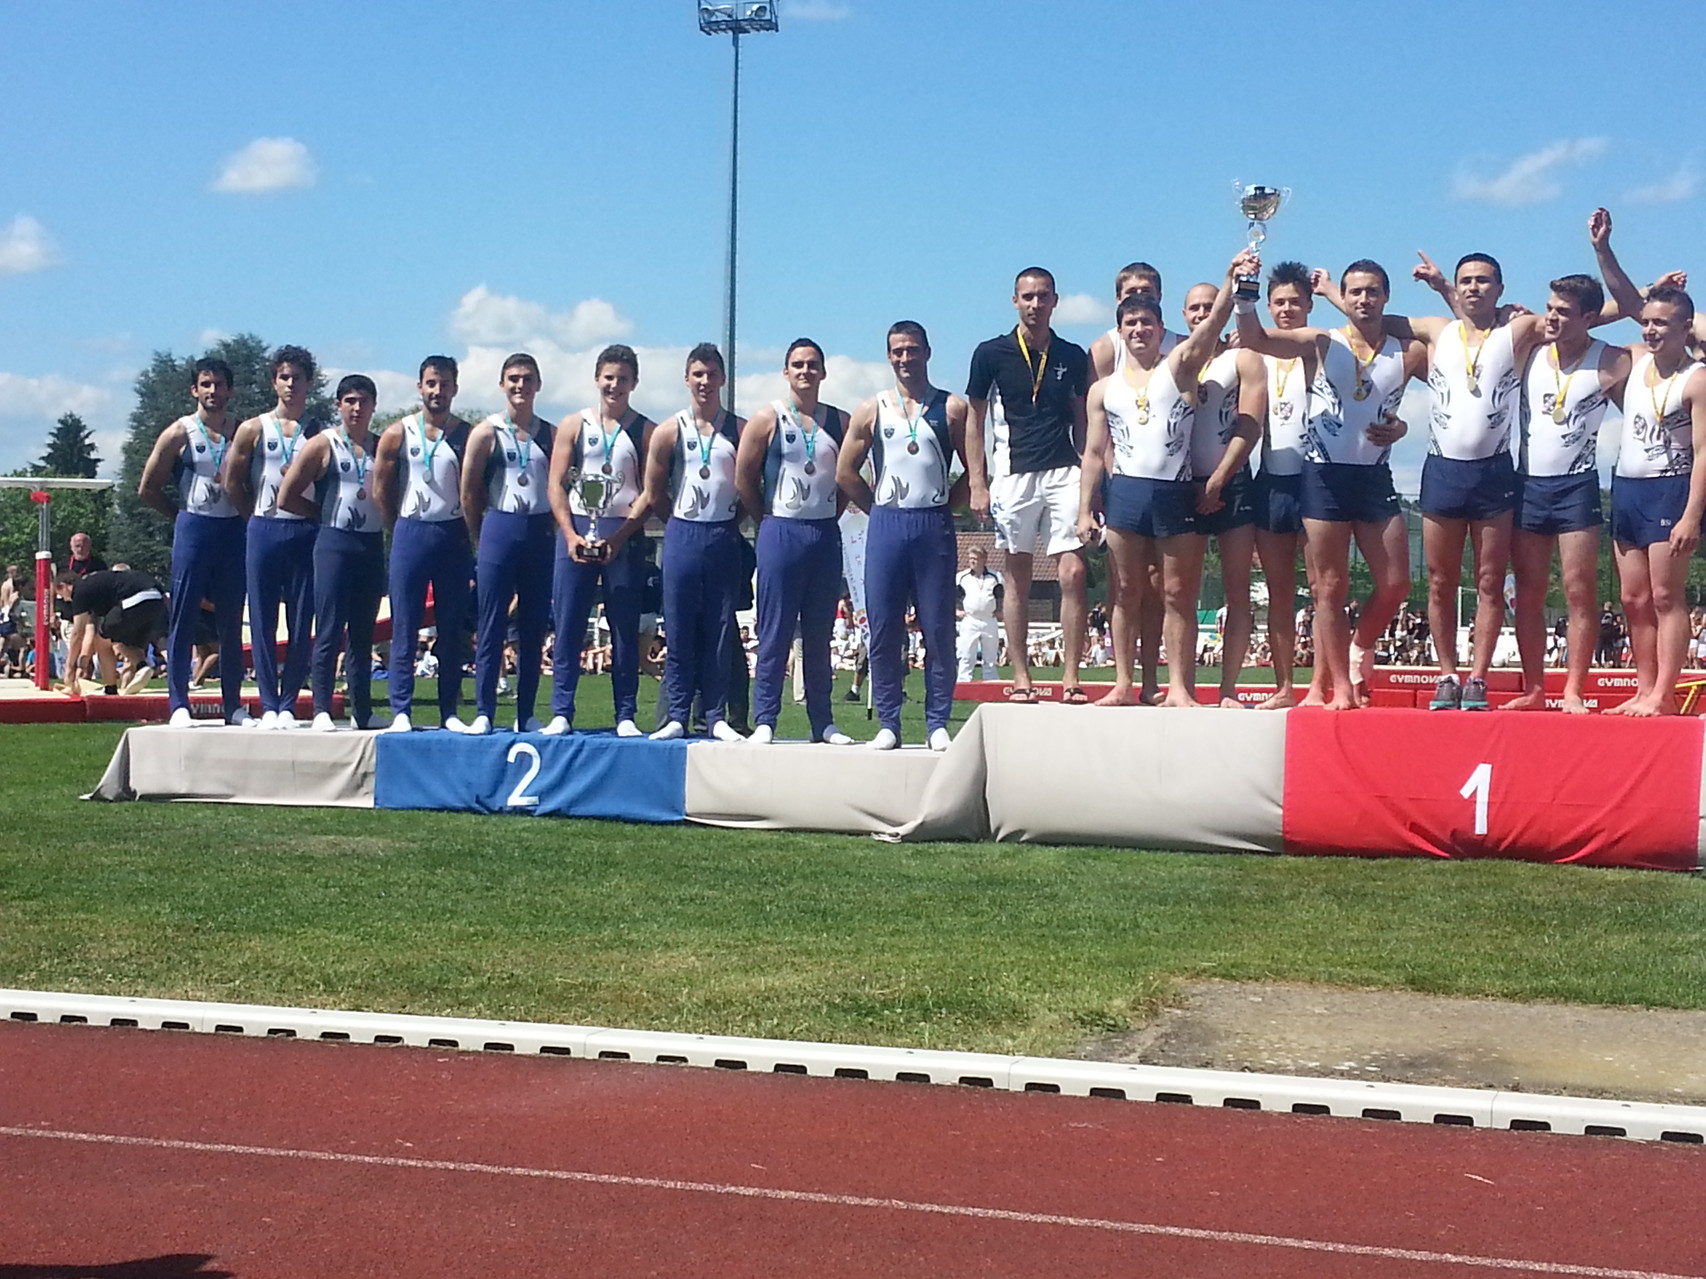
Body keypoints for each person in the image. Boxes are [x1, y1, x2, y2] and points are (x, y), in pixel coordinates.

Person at [1236, 260, 1426, 709]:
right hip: (1322, 474)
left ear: (1386, 296)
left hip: (1373, 475)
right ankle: (1338, 686)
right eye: (1355, 292)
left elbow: (1462, 386)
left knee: (1396, 583)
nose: (1364, 299)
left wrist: (1401, 430)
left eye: (1373, 291)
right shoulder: (1323, 342)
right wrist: (1244, 294)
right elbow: (1257, 339)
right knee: (1328, 587)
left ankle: (1361, 645)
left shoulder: (1409, 351)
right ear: (1343, 296)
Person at [1078, 251, 1254, 707]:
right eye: (1131, 324)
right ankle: (1122, 683)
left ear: (1161, 330)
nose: (1139, 331)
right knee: (1126, 592)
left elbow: (1211, 329)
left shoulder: (1179, 367)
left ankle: (1179, 687)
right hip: (1127, 495)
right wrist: (1084, 508)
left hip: (1176, 492)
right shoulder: (1103, 389)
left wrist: (1230, 281)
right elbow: (1094, 452)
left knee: (1178, 593)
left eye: (1147, 324)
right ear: (1120, 331)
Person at [1505, 272, 1636, 711]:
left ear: (1589, 318)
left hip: (1577, 486)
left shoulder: (1614, 360)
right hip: (1527, 483)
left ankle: (1574, 690)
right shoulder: (1531, 351)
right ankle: (1535, 689)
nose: (1552, 317)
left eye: (1564, 312)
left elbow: (1636, 313)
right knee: (1530, 591)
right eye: (1551, 308)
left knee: (1580, 591)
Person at [838, 321, 969, 751]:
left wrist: (946, 503)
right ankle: (889, 723)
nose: (905, 358)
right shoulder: (871, 409)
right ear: (888, 356)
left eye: (912, 350)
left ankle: (936, 724)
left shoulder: (952, 408)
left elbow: (974, 470)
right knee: (884, 629)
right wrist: (876, 505)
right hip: (887, 524)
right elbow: (844, 471)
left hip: (933, 525)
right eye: (897, 351)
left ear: (927, 352)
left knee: (937, 629)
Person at [966, 267, 1092, 703]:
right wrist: (978, 482)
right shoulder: (991, 353)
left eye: (1043, 297)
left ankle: (1071, 676)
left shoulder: (1073, 355)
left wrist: (1090, 480)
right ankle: (1021, 678)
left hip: (1064, 472)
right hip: (1013, 475)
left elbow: (1082, 419)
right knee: (1017, 577)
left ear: (1055, 300)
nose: (1035, 305)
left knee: (1073, 572)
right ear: (1014, 301)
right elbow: (974, 419)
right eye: (1027, 297)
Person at [736, 338, 853, 745]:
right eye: (798, 365)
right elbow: (743, 477)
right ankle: (765, 717)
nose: (805, 371)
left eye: (812, 365)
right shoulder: (767, 419)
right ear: (786, 372)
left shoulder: (841, 422)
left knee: (819, 634)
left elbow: (850, 478)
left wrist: (827, 516)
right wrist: (764, 518)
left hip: (822, 532)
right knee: (775, 630)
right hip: (779, 529)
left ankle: (823, 722)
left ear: (823, 372)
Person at [1605, 285, 1706, 715]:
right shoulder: (1635, 359)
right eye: (1647, 321)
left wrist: (1690, 516)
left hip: (1671, 489)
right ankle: (1644, 688)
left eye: (1661, 323)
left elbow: (1704, 453)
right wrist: (1602, 249)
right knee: (1633, 598)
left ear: (1686, 327)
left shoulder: (1697, 379)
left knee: (1666, 595)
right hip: (1627, 487)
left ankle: (1664, 693)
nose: (1650, 329)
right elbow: (1620, 302)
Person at [545, 345, 653, 737]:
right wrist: (570, 533)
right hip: (577, 528)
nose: (615, 385)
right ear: (596, 379)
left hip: (623, 533)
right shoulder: (575, 425)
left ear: (634, 384)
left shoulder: (645, 431)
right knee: (569, 623)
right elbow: (556, 484)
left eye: (623, 379)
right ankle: (562, 710)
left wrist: (622, 536)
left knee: (624, 628)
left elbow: (649, 491)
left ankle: (625, 713)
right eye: (609, 377)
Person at [137, 356, 251, 727]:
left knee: (231, 621)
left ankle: (233, 705)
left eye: (219, 384)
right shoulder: (179, 432)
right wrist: (180, 517)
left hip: (232, 530)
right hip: (194, 528)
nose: (213, 392)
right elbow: (147, 487)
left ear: (230, 390)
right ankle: (179, 703)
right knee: (184, 616)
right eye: (206, 384)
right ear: (194, 390)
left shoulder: (243, 432)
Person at [643, 344, 747, 741]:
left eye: (712, 374)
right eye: (697, 374)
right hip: (682, 532)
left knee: (721, 627)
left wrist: (729, 522)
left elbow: (750, 485)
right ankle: (676, 715)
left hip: (722, 533)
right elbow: (654, 491)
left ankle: (717, 716)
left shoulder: (739, 429)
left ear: (723, 379)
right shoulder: (670, 430)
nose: (705, 382)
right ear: (687, 379)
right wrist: (681, 523)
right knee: (680, 627)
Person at [371, 355, 473, 732]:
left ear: (454, 388)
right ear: (420, 387)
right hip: (411, 531)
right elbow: (381, 487)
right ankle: (401, 710)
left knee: (450, 628)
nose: (437, 391)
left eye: (444, 384)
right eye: (431, 383)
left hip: (452, 533)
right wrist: (395, 524)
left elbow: (474, 487)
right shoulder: (399, 433)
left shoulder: (466, 434)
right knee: (404, 626)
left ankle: (449, 710)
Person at [280, 373, 386, 730]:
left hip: (370, 545)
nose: (357, 408)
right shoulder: (323, 444)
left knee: (363, 633)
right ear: (339, 405)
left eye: (364, 401)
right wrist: (322, 515)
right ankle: (322, 707)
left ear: (374, 406)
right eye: (350, 401)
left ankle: (363, 710)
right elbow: (287, 496)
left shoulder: (381, 445)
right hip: (333, 543)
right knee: (328, 627)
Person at [223, 344, 321, 728]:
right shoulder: (253, 429)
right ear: (273, 381)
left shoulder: (319, 431)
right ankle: (267, 702)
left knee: (301, 621)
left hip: (305, 531)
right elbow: (233, 482)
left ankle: (289, 701)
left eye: (298, 378)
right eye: (284, 377)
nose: (291, 384)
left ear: (309, 383)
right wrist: (254, 519)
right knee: (262, 620)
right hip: (264, 526)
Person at [460, 353, 555, 735]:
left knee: (532, 629)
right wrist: (479, 538)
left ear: (538, 385)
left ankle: (526, 712)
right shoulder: (486, 432)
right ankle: (484, 710)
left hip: (539, 531)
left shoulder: (550, 433)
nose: (520, 386)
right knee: (491, 623)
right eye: (513, 379)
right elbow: (469, 492)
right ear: (502, 384)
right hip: (499, 526)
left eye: (528, 379)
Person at [1181, 279, 1265, 706]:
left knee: (1237, 591)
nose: (1200, 314)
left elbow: (1250, 425)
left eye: (1207, 307)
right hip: (1182, 485)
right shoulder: (1174, 360)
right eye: (1193, 308)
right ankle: (1184, 687)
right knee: (1180, 592)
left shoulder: (1242, 360)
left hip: (1232, 484)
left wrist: (1219, 478)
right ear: (1184, 315)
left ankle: (1229, 687)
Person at [1247, 262, 1316, 709]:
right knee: (1279, 592)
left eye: (1295, 301)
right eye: (1279, 302)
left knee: (1327, 588)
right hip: (1271, 481)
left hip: (1316, 481)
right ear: (1268, 307)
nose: (1287, 309)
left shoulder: (1323, 348)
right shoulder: (1255, 355)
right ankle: (1285, 686)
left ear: (1310, 304)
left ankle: (1327, 683)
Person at [53, 566, 167, 697]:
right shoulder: (97, 585)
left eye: (61, 595)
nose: (65, 600)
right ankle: (143, 667)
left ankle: (110, 688)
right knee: (124, 643)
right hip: (156, 602)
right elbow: (90, 629)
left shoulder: (80, 591)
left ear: (63, 586)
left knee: (101, 642)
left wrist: (69, 667)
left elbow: (77, 633)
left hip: (133, 600)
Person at [955, 546, 1002, 680]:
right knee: (966, 653)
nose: (972, 562)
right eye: (970, 559)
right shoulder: (961, 577)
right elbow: (950, 595)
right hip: (970, 620)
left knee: (991, 655)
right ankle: (963, 682)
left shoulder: (995, 577)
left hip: (989, 620)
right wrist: (956, 611)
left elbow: (1004, 595)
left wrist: (1000, 611)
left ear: (984, 559)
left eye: (975, 559)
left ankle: (991, 682)